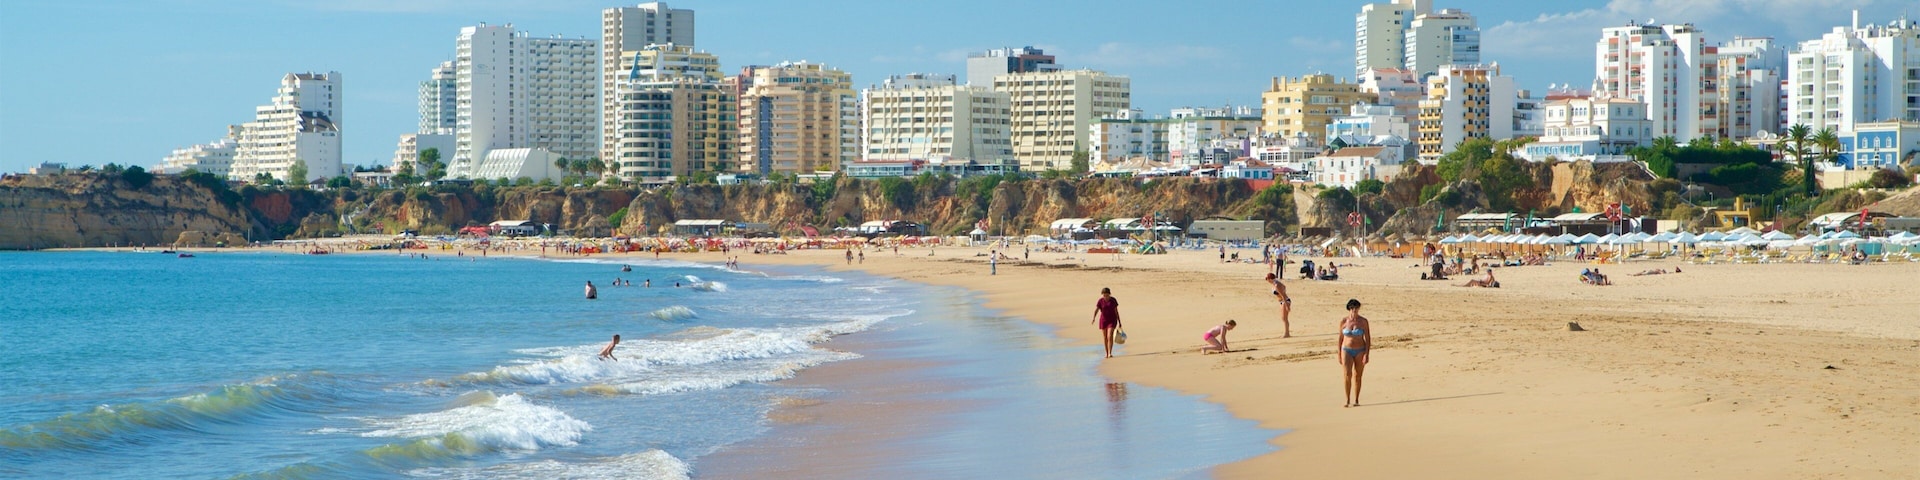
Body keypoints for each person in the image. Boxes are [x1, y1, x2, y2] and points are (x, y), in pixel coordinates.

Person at [1338, 299, 1372, 407]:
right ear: (1349, 309)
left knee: (1358, 375)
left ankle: (1356, 399)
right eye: (1353, 309)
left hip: (1360, 350)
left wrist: (1367, 354)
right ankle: (1347, 399)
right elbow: (1340, 338)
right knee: (1347, 374)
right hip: (1346, 350)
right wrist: (1339, 353)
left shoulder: (1363, 321)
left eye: (1357, 309)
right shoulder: (1344, 321)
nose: (1355, 311)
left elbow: (1368, 338)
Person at [1092, 287, 1122, 358]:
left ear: (1109, 294)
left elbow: (1116, 311)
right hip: (1103, 320)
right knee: (1105, 337)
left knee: (1109, 336)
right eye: (1104, 295)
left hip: (1112, 320)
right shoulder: (1100, 301)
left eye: (1107, 295)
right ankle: (1107, 353)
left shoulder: (1113, 300)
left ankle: (1110, 353)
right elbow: (1096, 310)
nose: (1105, 296)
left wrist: (1119, 321)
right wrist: (1094, 318)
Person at [1266, 273, 1291, 338]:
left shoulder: (1277, 285)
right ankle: (1287, 332)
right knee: (1283, 318)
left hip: (1285, 301)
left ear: (1270, 279)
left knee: (1284, 318)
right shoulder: (1275, 283)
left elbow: (1283, 296)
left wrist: (1287, 306)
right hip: (1282, 301)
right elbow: (1284, 287)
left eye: (1267, 279)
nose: (1267, 281)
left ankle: (1287, 333)